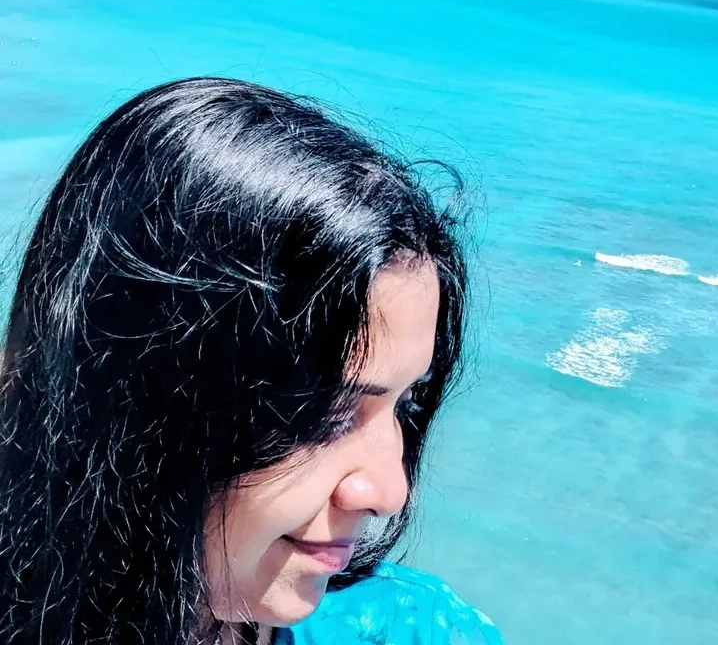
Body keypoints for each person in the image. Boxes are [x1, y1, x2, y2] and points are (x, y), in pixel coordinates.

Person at [0, 77, 504, 645]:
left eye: (405, 403)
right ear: (139, 397)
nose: (389, 492)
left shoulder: (418, 632)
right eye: (323, 414)